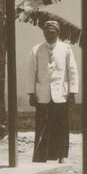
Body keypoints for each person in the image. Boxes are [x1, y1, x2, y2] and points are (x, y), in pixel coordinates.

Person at [31, 20, 78, 162]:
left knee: (61, 126)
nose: (49, 35)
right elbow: (31, 73)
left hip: (61, 95)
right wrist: (31, 93)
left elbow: (72, 71)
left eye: (52, 33)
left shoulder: (66, 49)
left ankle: (61, 155)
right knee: (42, 126)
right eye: (46, 33)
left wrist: (72, 93)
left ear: (58, 33)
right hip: (42, 95)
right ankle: (41, 156)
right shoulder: (36, 50)